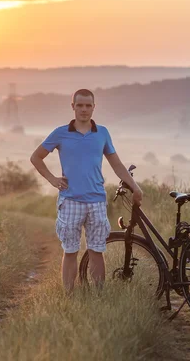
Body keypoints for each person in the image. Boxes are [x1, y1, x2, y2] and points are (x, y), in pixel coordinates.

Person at [30, 89, 143, 292]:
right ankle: (69, 296)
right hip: (70, 201)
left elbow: (116, 164)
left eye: (88, 105)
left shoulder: (103, 133)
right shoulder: (60, 133)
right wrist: (53, 179)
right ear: (72, 106)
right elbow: (36, 157)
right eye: (79, 105)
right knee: (70, 250)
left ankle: (99, 295)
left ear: (93, 107)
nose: (84, 109)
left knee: (97, 251)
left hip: (97, 201)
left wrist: (135, 186)